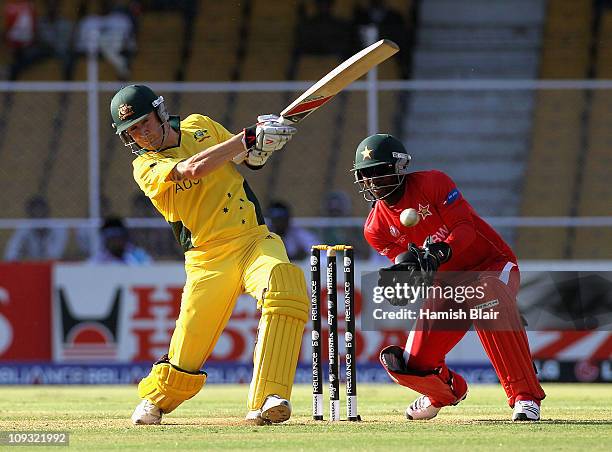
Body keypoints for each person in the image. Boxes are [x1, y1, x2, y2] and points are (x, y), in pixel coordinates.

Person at [109, 84, 308, 426]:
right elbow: (192, 169)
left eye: (144, 123)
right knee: (187, 354)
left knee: (285, 285)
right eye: (132, 131)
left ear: (160, 112)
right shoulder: (145, 166)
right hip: (207, 259)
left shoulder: (201, 125)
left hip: (253, 240)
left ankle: (269, 398)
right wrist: (248, 137)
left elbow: (247, 158)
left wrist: (265, 143)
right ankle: (156, 399)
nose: (141, 135)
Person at [351, 134, 545, 421]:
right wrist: (407, 278)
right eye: (366, 175)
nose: (374, 181)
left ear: (399, 168)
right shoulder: (375, 228)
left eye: (380, 171)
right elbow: (409, 264)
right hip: (447, 285)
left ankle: (525, 397)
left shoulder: (433, 182)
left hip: (490, 266)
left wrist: (440, 253)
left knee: (486, 296)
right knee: (409, 364)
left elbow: (464, 229)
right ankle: (445, 391)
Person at [4, 195, 68, 261]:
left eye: (41, 210)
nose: (38, 213)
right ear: (29, 213)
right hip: (33, 265)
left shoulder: (59, 227)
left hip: (54, 266)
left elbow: (55, 255)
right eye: (35, 210)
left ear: (47, 211)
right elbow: (11, 251)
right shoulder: (24, 227)